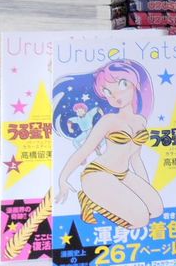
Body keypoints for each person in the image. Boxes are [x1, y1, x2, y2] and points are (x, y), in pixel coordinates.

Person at [53, 59, 162, 229]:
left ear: (135, 84)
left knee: (156, 210)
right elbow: (84, 150)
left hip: (123, 174)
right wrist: (63, 178)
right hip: (98, 174)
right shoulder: (109, 120)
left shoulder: (140, 121)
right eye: (107, 92)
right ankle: (90, 200)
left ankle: (94, 199)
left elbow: (136, 158)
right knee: (141, 220)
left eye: (122, 84)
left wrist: (146, 188)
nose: (115, 96)